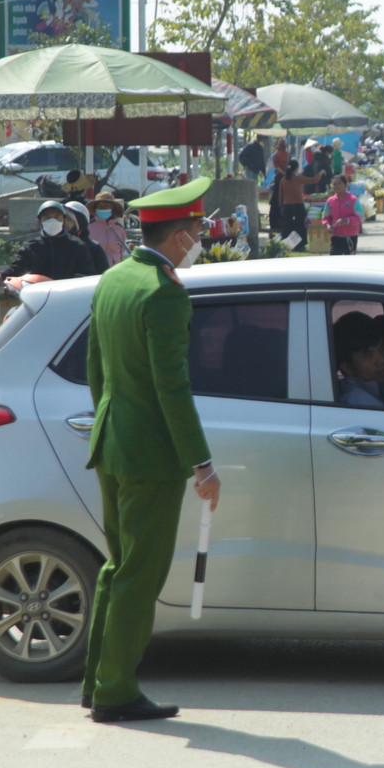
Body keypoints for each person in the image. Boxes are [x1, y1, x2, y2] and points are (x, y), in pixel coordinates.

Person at [81, 177, 222, 723]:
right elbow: (173, 387)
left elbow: (98, 370)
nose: (199, 238)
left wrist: (111, 427)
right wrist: (202, 463)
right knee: (139, 573)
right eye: (197, 230)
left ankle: (99, 681)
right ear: (181, 235)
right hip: (149, 457)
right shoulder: (163, 293)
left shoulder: (114, 279)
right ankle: (115, 690)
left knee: (118, 567)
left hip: (113, 443)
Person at [0, 200, 99, 292]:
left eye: (56, 216)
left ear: (64, 220)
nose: (52, 220)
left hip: (68, 297)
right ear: (39, 221)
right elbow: (16, 269)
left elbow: (86, 274)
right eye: (47, 217)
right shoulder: (31, 247)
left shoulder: (78, 246)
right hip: (39, 299)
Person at [333, 311, 384, 409]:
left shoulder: (373, 393)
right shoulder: (358, 403)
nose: (381, 360)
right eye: (369, 355)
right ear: (348, 368)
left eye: (382, 348)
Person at [64, 200, 110, 274]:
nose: (63, 223)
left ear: (80, 222)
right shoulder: (53, 245)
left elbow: (103, 277)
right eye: (62, 219)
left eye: (68, 220)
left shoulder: (94, 248)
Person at [86, 190, 130, 266]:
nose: (103, 208)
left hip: (114, 270)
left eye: (106, 206)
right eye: (100, 206)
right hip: (95, 270)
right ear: (95, 208)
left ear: (112, 208)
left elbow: (121, 252)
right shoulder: (88, 227)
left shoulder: (119, 228)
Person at [322, 175, 362, 255]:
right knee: (335, 261)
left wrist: (347, 220)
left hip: (350, 236)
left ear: (346, 185)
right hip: (336, 236)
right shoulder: (330, 201)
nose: (336, 186)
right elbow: (326, 217)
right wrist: (328, 226)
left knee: (349, 261)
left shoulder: (353, 200)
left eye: (339, 183)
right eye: (334, 184)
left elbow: (360, 218)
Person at [268, 138, 289, 232]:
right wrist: (286, 174)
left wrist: (282, 173)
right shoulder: (288, 155)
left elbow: (277, 167)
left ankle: (275, 222)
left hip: (279, 177)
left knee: (276, 199)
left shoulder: (276, 155)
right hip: (286, 178)